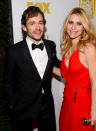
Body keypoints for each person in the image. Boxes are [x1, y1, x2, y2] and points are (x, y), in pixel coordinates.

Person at [4, 6, 60, 131]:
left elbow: (56, 64)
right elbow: (8, 82)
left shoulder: (51, 45)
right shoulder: (14, 51)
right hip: (23, 107)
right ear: (24, 27)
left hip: (46, 106)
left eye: (40, 23)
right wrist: (13, 106)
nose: (38, 28)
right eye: (32, 23)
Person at [59, 7, 96, 131]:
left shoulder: (88, 48)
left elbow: (94, 80)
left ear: (84, 27)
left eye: (79, 23)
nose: (73, 27)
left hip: (82, 104)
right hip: (67, 103)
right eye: (71, 22)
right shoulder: (67, 49)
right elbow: (68, 76)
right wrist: (43, 69)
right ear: (66, 25)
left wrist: (94, 109)